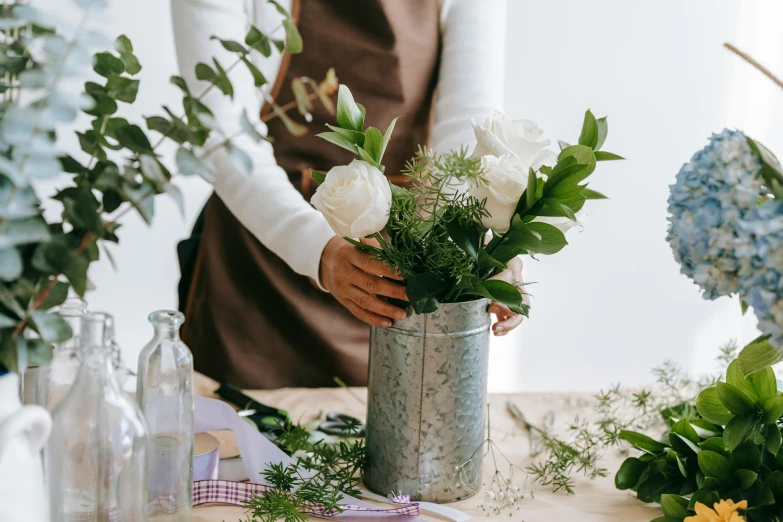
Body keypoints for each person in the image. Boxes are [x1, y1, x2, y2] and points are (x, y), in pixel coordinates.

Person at [172, 0, 523, 389]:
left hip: (402, 271)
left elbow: (469, 125)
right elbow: (221, 136)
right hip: (252, 275)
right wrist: (316, 248)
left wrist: (475, 242)